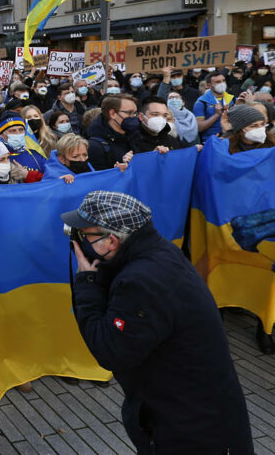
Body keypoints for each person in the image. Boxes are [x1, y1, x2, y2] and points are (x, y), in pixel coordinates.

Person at [65, 190, 253, 453]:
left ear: (112, 242)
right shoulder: (156, 253)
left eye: (85, 235)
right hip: (201, 416)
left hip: (190, 432)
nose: (79, 241)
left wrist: (87, 282)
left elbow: (109, 350)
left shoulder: (142, 282)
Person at [86, 95, 139, 171]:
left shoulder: (137, 135)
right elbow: (100, 178)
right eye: (129, 113)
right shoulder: (95, 145)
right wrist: (118, 171)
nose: (133, 117)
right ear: (112, 114)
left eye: (135, 113)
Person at [0, 113, 45, 181]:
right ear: (2, 135)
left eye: (21, 130)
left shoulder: (36, 154)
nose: (18, 133)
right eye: (13, 131)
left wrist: (28, 175)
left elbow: (52, 179)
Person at [194, 70, 234, 139]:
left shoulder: (232, 99)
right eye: (218, 82)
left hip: (231, 139)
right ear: (208, 85)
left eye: (223, 80)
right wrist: (216, 115)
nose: (222, 83)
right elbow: (199, 128)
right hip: (211, 141)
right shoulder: (201, 102)